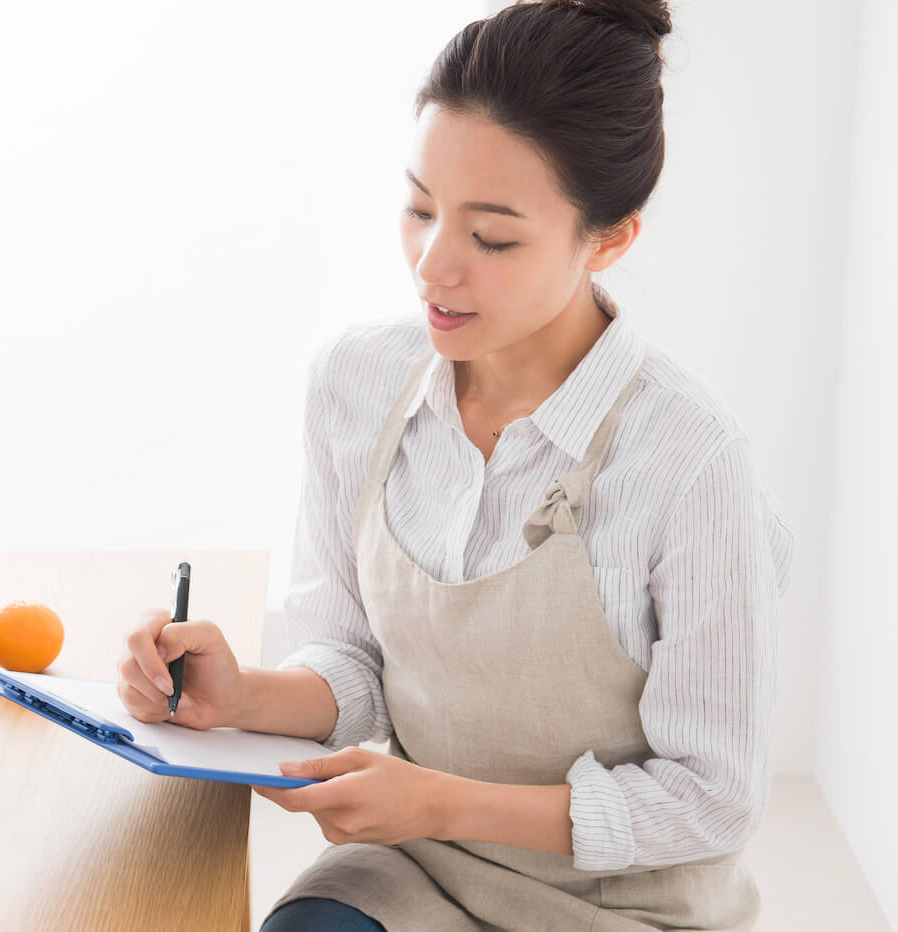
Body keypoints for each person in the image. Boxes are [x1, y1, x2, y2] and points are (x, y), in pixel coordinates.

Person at [115, 0, 793, 928]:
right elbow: (353, 662)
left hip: (625, 908)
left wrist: (437, 799)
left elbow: (715, 795)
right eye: (421, 207)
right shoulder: (358, 383)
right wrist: (247, 696)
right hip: (414, 872)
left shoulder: (689, 462)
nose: (433, 266)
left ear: (610, 237)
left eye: (493, 237)